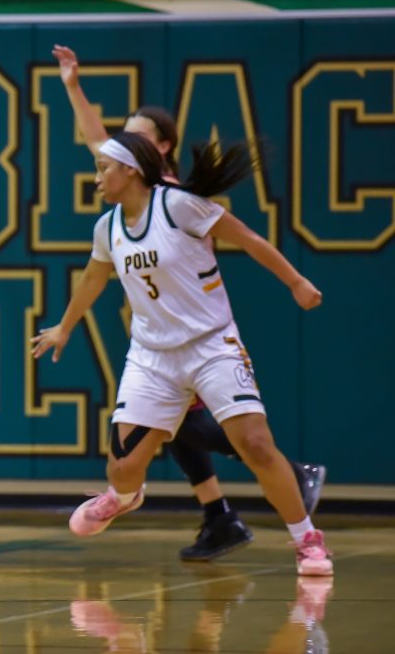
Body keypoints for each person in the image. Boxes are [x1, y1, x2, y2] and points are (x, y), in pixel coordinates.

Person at [51, 44, 327, 561]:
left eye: (127, 139)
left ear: (150, 153)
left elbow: (248, 237)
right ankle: (171, 503)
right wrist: (72, 86)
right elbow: (91, 275)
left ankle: (304, 535)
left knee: (246, 440)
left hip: (207, 340)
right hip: (153, 348)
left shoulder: (176, 201)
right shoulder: (110, 221)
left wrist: (295, 281)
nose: (102, 159)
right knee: (153, 447)